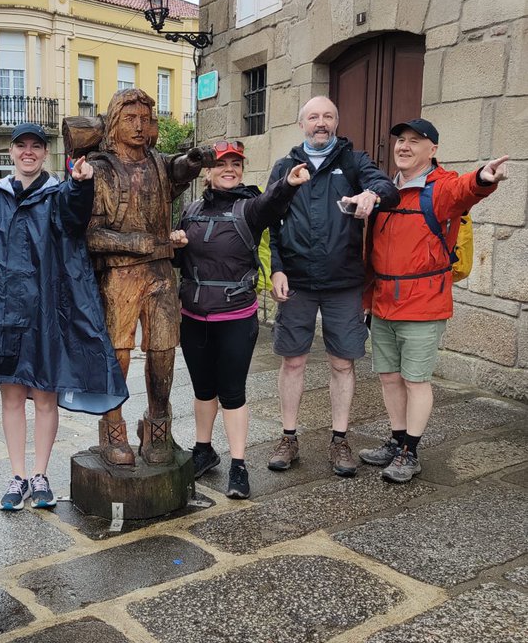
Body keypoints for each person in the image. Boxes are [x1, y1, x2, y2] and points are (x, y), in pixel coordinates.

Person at [0, 122, 128, 510]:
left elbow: (75, 215)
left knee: (46, 396)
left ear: (44, 153)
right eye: (22, 146)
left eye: (36, 146)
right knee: (12, 396)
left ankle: (40, 473)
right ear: (11, 153)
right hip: (5, 315)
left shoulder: (59, 195)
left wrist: (82, 184)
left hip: (48, 314)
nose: (28, 152)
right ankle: (17, 476)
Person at [361, 119, 508, 482]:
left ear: (433, 150)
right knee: (389, 377)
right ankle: (396, 443)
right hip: (382, 301)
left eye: (415, 141)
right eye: (400, 141)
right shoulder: (383, 189)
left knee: (415, 380)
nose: (404, 147)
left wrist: (483, 178)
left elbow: (465, 190)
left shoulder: (439, 188)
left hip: (423, 303)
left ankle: (411, 452)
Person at [266, 96, 399, 477]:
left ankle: (340, 439)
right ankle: (288, 437)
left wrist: (371, 194)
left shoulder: (353, 162)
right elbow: (272, 223)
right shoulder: (286, 166)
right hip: (299, 282)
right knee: (293, 361)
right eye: (313, 117)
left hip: (344, 282)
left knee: (342, 362)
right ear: (301, 124)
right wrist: (276, 268)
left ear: (337, 122)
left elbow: (387, 188)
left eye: (327, 116)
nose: (320, 123)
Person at [170, 140, 311, 499]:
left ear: (242, 170)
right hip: (193, 315)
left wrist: (288, 185)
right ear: (209, 171)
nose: (228, 168)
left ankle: (238, 464)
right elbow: (178, 263)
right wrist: (176, 244)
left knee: (232, 393)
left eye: (235, 163)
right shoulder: (191, 210)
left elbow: (272, 203)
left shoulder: (249, 208)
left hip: (234, 316)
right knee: (203, 391)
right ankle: (204, 451)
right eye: (221, 164)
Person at [86, 88, 205, 467]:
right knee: (118, 353)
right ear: (113, 123)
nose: (139, 126)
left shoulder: (157, 162)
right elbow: (89, 234)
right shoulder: (101, 169)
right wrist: (128, 241)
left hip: (159, 271)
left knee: (163, 351)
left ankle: (157, 426)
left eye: (145, 119)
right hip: (119, 274)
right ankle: (112, 428)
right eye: (130, 119)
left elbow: (179, 170)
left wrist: (192, 161)